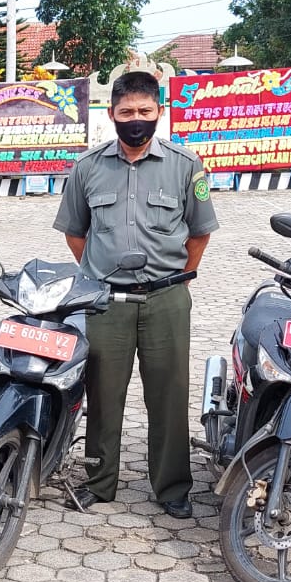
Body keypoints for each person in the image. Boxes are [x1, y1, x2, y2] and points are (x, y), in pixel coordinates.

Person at [53, 68, 219, 519]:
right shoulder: (88, 167)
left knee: (169, 394)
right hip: (106, 301)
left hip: (166, 299)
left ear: (159, 112)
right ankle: (99, 481)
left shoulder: (185, 165)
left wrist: (179, 277)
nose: (136, 119)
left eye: (145, 110)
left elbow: (200, 232)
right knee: (103, 394)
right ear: (111, 114)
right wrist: (99, 271)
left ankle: (172, 486)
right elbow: (75, 232)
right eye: (126, 112)